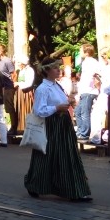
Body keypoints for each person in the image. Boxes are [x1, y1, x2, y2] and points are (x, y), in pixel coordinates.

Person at [23, 57, 92, 202]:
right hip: (52, 126)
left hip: (63, 126)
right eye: (55, 68)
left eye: (58, 67)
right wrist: (57, 108)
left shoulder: (57, 85)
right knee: (47, 157)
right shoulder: (42, 89)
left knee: (67, 157)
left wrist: (69, 102)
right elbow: (39, 111)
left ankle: (74, 190)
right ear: (47, 71)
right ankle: (35, 184)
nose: (58, 70)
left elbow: (60, 102)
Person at [74, 44, 100, 141]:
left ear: (87, 52)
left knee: (85, 112)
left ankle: (85, 134)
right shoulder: (85, 62)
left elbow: (94, 75)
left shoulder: (92, 62)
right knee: (77, 112)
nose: (80, 53)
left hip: (89, 91)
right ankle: (80, 131)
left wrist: (91, 85)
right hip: (83, 90)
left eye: (81, 51)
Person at [0, 44, 17, 135]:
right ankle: (4, 127)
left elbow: (14, 74)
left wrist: (13, 85)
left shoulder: (7, 61)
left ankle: (14, 127)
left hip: (8, 87)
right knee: (3, 108)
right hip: (1, 87)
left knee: (10, 107)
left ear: (1, 52)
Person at [13, 55, 36, 134]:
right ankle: (20, 127)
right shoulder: (20, 70)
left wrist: (18, 84)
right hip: (20, 92)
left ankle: (27, 128)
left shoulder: (30, 70)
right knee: (19, 109)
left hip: (26, 92)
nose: (18, 64)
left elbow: (29, 83)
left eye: (19, 62)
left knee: (26, 109)